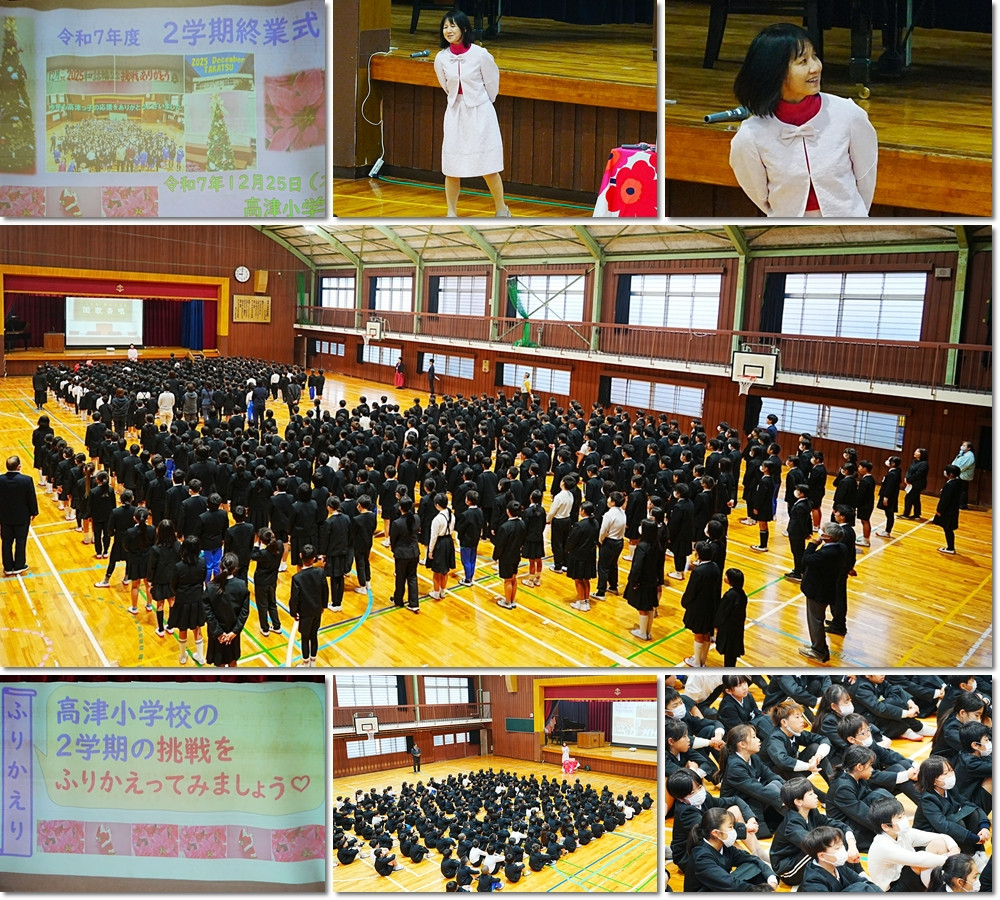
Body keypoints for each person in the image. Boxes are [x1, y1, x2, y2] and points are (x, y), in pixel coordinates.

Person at [729, 23, 878, 217]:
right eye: (803, 61)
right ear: (775, 71)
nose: (815, 67)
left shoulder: (849, 114)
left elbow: (866, 177)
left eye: (814, 56)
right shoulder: (749, 136)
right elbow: (758, 193)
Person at [434, 11, 510, 218]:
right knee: (452, 168)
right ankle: (451, 213)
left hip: (480, 113)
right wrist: (458, 101)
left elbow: (492, 84)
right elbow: (446, 86)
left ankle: (501, 209)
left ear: (464, 29)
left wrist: (480, 102)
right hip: (455, 113)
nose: (448, 30)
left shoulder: (481, 55)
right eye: (445, 27)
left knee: (488, 166)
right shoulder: (441, 58)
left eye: (453, 26)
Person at [866, 796, 960, 892]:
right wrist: (951, 860)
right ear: (885, 826)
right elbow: (920, 860)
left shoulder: (902, 833)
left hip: (904, 876)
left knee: (939, 843)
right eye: (899, 818)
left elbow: (942, 837)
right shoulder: (882, 845)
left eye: (903, 815)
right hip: (891, 889)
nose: (904, 819)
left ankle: (947, 886)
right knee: (919, 863)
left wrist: (954, 849)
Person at [682, 807, 778, 891]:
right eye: (730, 827)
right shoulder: (701, 858)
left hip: (719, 889)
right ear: (716, 833)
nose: (734, 831)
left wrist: (771, 879)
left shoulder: (724, 847)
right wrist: (761, 891)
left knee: (754, 867)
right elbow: (728, 883)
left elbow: (752, 859)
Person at [798, 522, 848, 664]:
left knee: (815, 621)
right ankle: (818, 646)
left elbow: (806, 559)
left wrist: (812, 545)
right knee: (817, 620)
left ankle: (818, 650)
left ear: (827, 537)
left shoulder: (825, 553)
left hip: (817, 592)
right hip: (828, 589)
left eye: (823, 530)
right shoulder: (842, 548)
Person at [203, 552, 250, 667]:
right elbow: (244, 612)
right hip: (233, 632)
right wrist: (234, 632)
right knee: (233, 661)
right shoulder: (241, 585)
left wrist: (219, 633)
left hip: (216, 634)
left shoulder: (210, 587)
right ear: (235, 569)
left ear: (220, 567)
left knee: (219, 663)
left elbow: (207, 613)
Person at [798, 825, 881, 891]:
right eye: (837, 848)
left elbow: (861, 880)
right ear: (822, 856)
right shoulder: (813, 882)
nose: (842, 850)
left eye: (842, 845)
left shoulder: (837, 864)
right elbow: (861, 886)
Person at [681, 541, 722, 667]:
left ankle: (697, 662)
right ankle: (702, 660)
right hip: (711, 606)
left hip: (698, 607)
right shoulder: (715, 567)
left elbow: (691, 590)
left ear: (698, 554)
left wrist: (685, 602)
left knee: (698, 634)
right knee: (707, 634)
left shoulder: (698, 572)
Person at [169, 535, 207, 665]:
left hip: (183, 600)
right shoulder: (202, 562)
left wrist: (178, 593)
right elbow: (203, 578)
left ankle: (182, 656)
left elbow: (173, 584)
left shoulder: (179, 566)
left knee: (182, 628)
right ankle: (200, 657)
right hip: (197, 599)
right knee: (197, 628)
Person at [0, 455, 39, 576]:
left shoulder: (0, 480)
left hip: (4, 517)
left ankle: (7, 567)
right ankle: (19, 565)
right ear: (19, 466)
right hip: (22, 516)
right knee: (21, 541)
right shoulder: (26, 480)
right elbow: (31, 498)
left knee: (6, 542)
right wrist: (34, 512)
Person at [289, 544, 327, 667]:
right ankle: (313, 663)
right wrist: (323, 606)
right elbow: (325, 590)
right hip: (317, 610)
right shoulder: (320, 572)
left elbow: (294, 598)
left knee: (305, 638)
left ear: (300, 556)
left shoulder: (297, 578)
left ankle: (306, 664)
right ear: (314, 559)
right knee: (314, 635)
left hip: (305, 613)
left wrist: (293, 612)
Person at [624, 518, 659, 641]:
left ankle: (643, 632)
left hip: (642, 581)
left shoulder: (642, 547)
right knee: (649, 606)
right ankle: (647, 631)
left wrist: (633, 581)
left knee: (642, 607)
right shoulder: (657, 545)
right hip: (652, 580)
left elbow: (637, 566)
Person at [564, 501, 599, 612]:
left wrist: (567, 549)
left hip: (579, 556)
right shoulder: (595, 522)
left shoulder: (579, 526)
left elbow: (572, 540)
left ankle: (582, 602)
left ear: (583, 511)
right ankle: (586, 601)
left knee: (578, 579)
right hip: (590, 555)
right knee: (586, 579)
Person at [389, 496, 421, 613]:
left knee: (400, 578)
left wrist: (394, 550)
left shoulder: (397, 523)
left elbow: (393, 539)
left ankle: (398, 600)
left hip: (402, 554)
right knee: (412, 577)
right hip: (414, 552)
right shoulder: (416, 518)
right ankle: (414, 603)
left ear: (400, 507)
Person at [493, 499, 526, 610]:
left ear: (508, 511)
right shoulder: (522, 524)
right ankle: (512, 600)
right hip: (516, 555)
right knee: (513, 578)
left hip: (506, 557)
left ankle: (507, 602)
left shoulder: (505, 527)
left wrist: (495, 556)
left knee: (507, 580)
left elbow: (500, 545)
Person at [714, 568, 748, 668]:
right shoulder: (742, 594)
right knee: (732, 653)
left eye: (726, 576)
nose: (724, 577)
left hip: (729, 629)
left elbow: (722, 612)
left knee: (729, 653)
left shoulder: (730, 596)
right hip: (737, 627)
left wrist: (716, 625)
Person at [427, 492, 456, 600]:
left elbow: (433, 536)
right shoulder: (452, 515)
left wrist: (430, 550)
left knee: (437, 570)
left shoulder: (437, 519)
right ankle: (442, 591)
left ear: (437, 505)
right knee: (445, 570)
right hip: (449, 542)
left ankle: (436, 592)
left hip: (440, 543)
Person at [933, 465, 962, 555]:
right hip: (953, 510)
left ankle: (950, 548)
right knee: (948, 529)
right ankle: (950, 547)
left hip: (948, 511)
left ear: (951, 474)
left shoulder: (950, 485)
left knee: (948, 529)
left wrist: (939, 510)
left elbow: (945, 500)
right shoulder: (957, 482)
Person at [875, 455, 902, 538]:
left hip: (890, 497)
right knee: (889, 514)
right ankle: (887, 531)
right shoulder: (896, 471)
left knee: (889, 514)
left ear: (893, 463)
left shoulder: (893, 474)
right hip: (891, 497)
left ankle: (887, 531)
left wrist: (886, 497)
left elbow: (890, 486)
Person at [901, 447, 929, 519]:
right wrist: (906, 477)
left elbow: (918, 475)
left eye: (917, 452)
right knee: (915, 499)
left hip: (917, 484)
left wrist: (909, 479)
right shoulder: (914, 461)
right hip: (911, 482)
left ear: (922, 454)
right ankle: (917, 515)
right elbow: (909, 470)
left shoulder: (924, 464)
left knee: (909, 498)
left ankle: (906, 514)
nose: (915, 452)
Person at [950, 441, 975, 509]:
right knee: (959, 490)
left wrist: (955, 470)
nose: (962, 447)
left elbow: (963, 466)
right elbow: (955, 461)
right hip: (959, 474)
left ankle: (962, 505)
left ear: (969, 448)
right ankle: (957, 503)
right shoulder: (962, 453)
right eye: (962, 445)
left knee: (963, 491)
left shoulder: (970, 456)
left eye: (964, 445)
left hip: (964, 476)